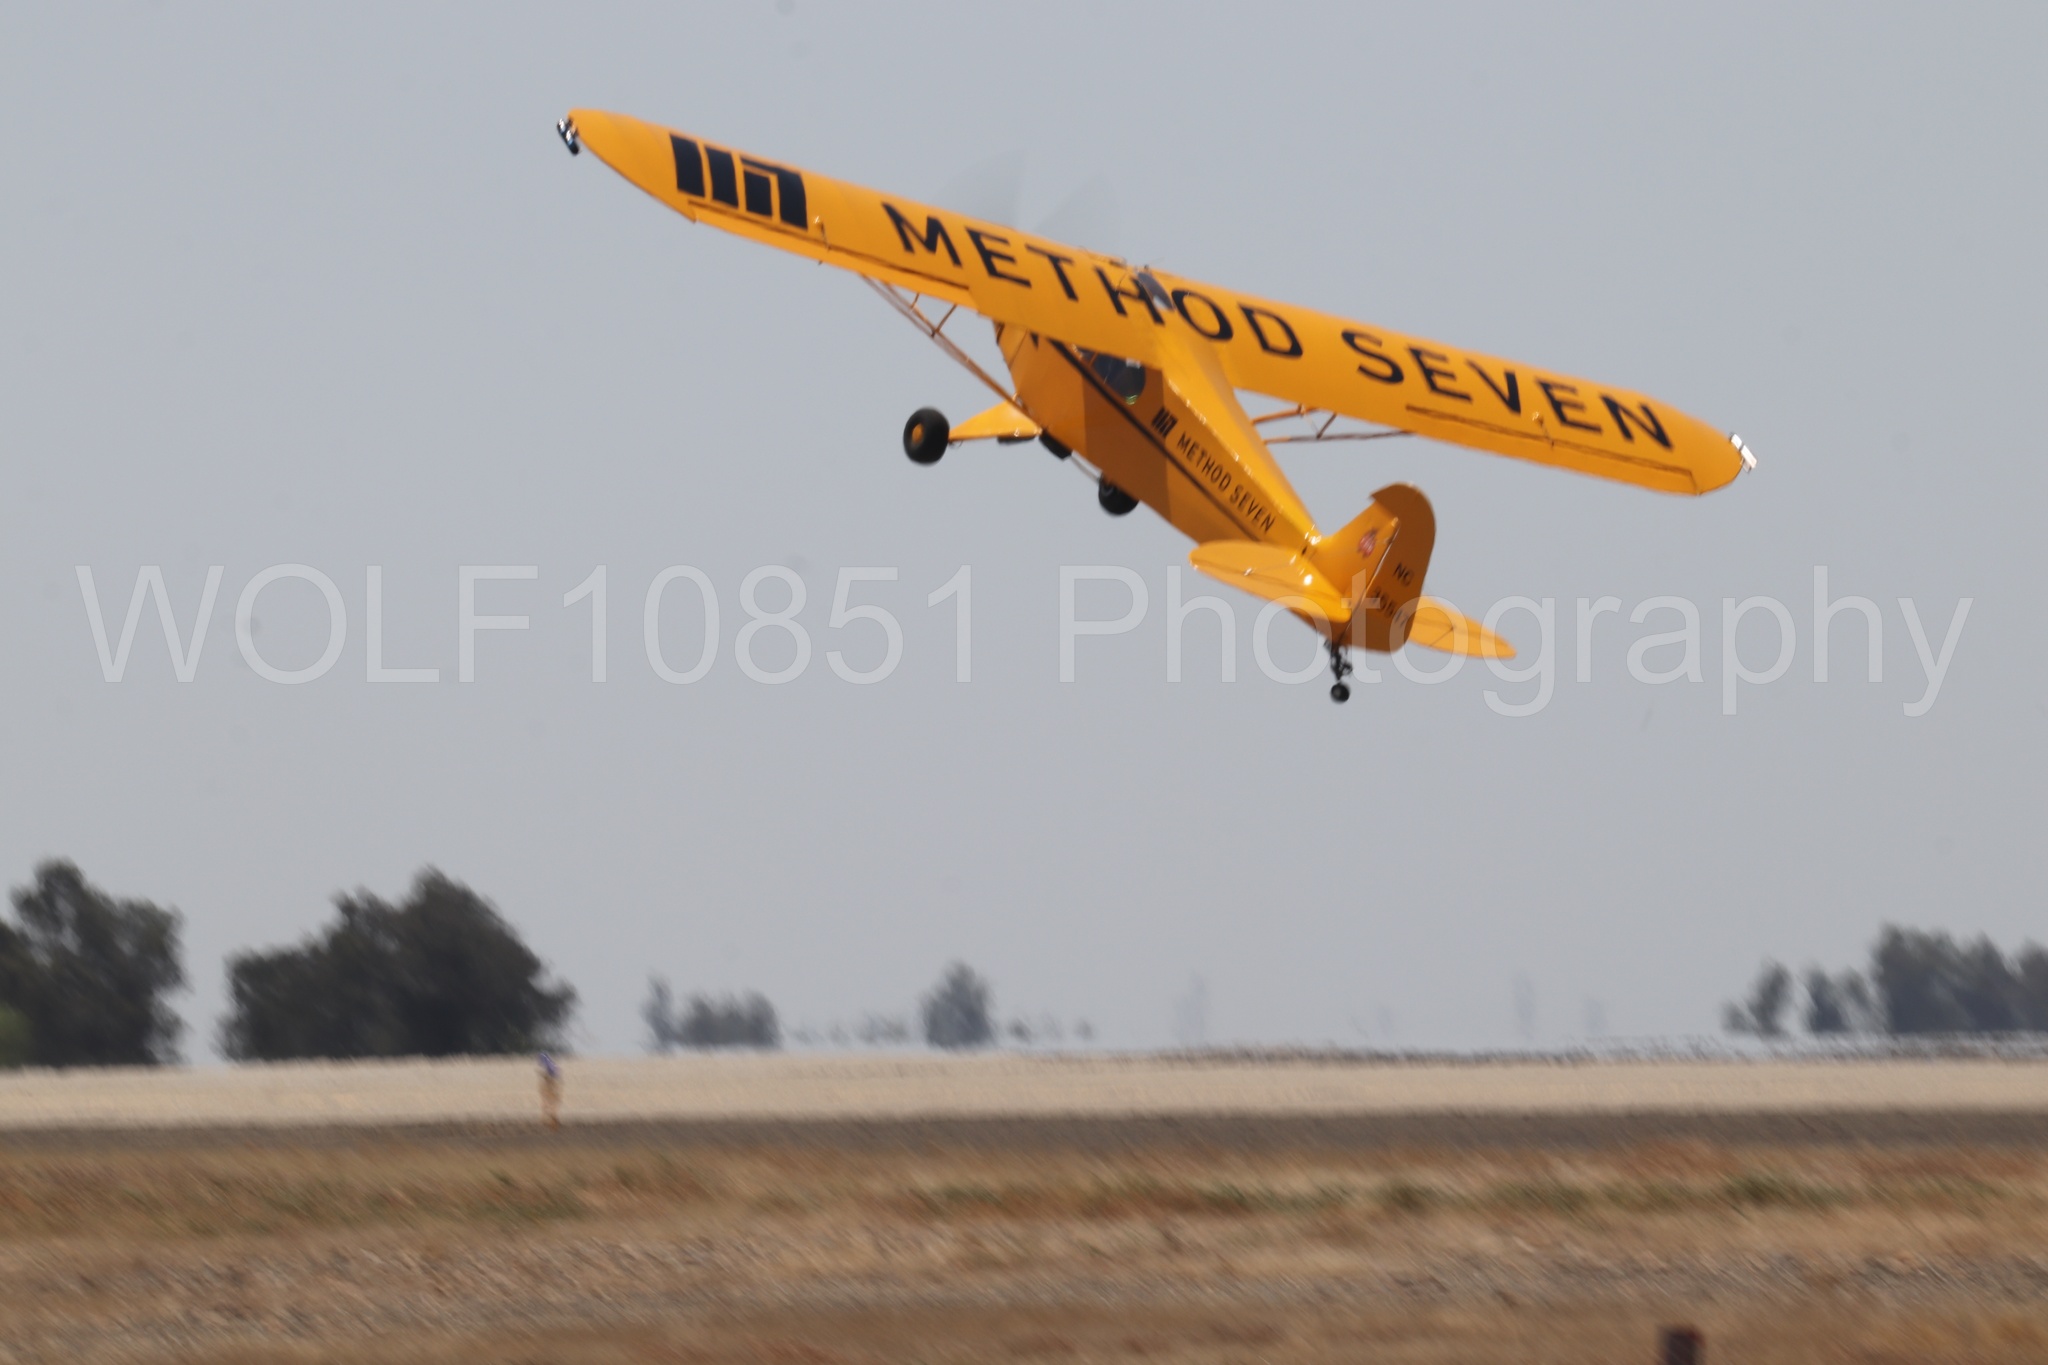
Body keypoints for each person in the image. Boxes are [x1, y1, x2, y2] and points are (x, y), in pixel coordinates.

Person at [537, 1051, 562, 1129]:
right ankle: (548, 1117)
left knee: (546, 1102)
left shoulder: (548, 1065)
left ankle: (545, 1118)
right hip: (552, 1085)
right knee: (551, 1102)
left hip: (549, 1085)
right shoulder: (552, 1065)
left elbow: (547, 1077)